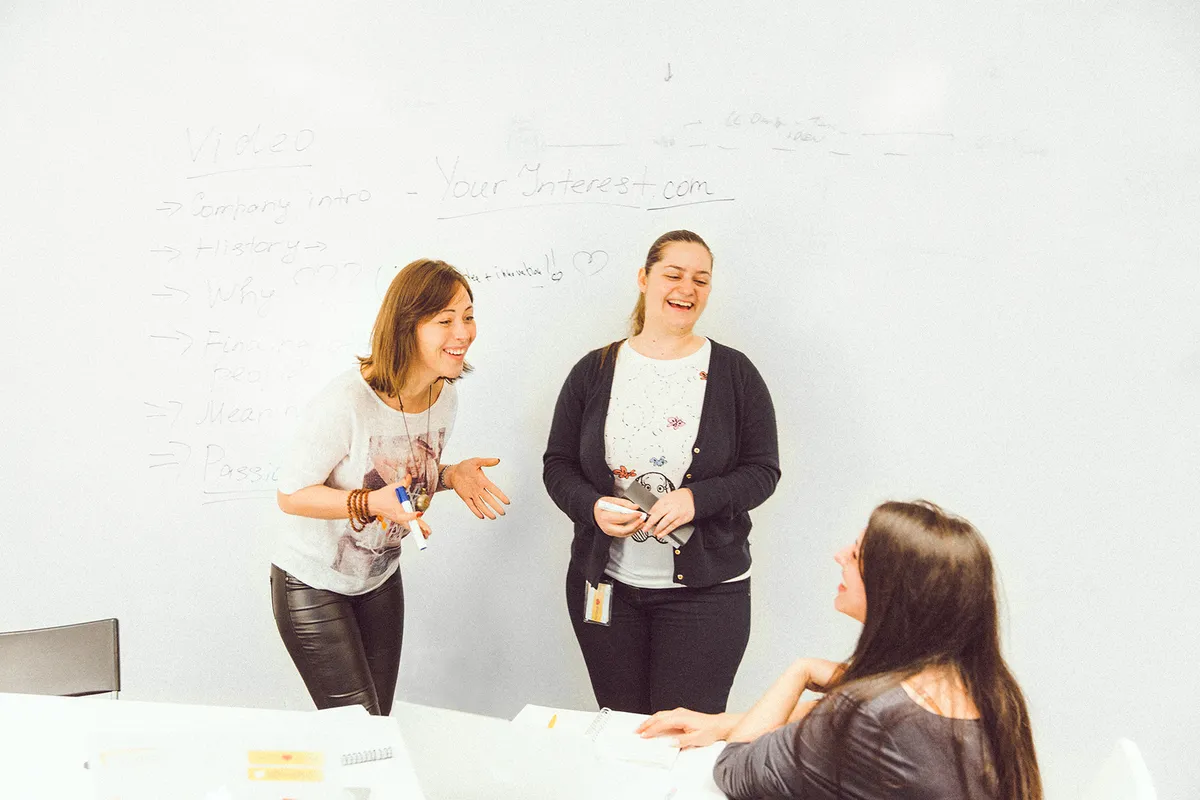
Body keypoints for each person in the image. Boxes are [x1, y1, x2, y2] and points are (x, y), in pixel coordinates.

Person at [637, 500, 1043, 799]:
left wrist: (801, 670)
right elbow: (826, 717)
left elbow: (735, 770)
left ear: (893, 590)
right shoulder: (986, 689)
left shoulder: (868, 714)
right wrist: (723, 723)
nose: (839, 556)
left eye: (856, 554)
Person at [543, 230, 781, 715]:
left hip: (707, 598)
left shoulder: (735, 373)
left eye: (701, 280)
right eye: (673, 275)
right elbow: (558, 465)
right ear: (644, 279)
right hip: (605, 589)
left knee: (678, 741)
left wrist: (699, 499)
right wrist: (592, 508)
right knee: (623, 732)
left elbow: (763, 470)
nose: (686, 289)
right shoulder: (595, 369)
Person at [271, 258, 510, 715]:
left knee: (378, 721)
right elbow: (292, 495)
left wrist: (451, 474)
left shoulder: (445, 396)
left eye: (468, 316)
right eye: (445, 321)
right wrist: (369, 502)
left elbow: (405, 478)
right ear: (407, 327)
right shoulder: (346, 402)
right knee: (359, 728)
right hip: (314, 582)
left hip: (379, 577)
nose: (464, 332)